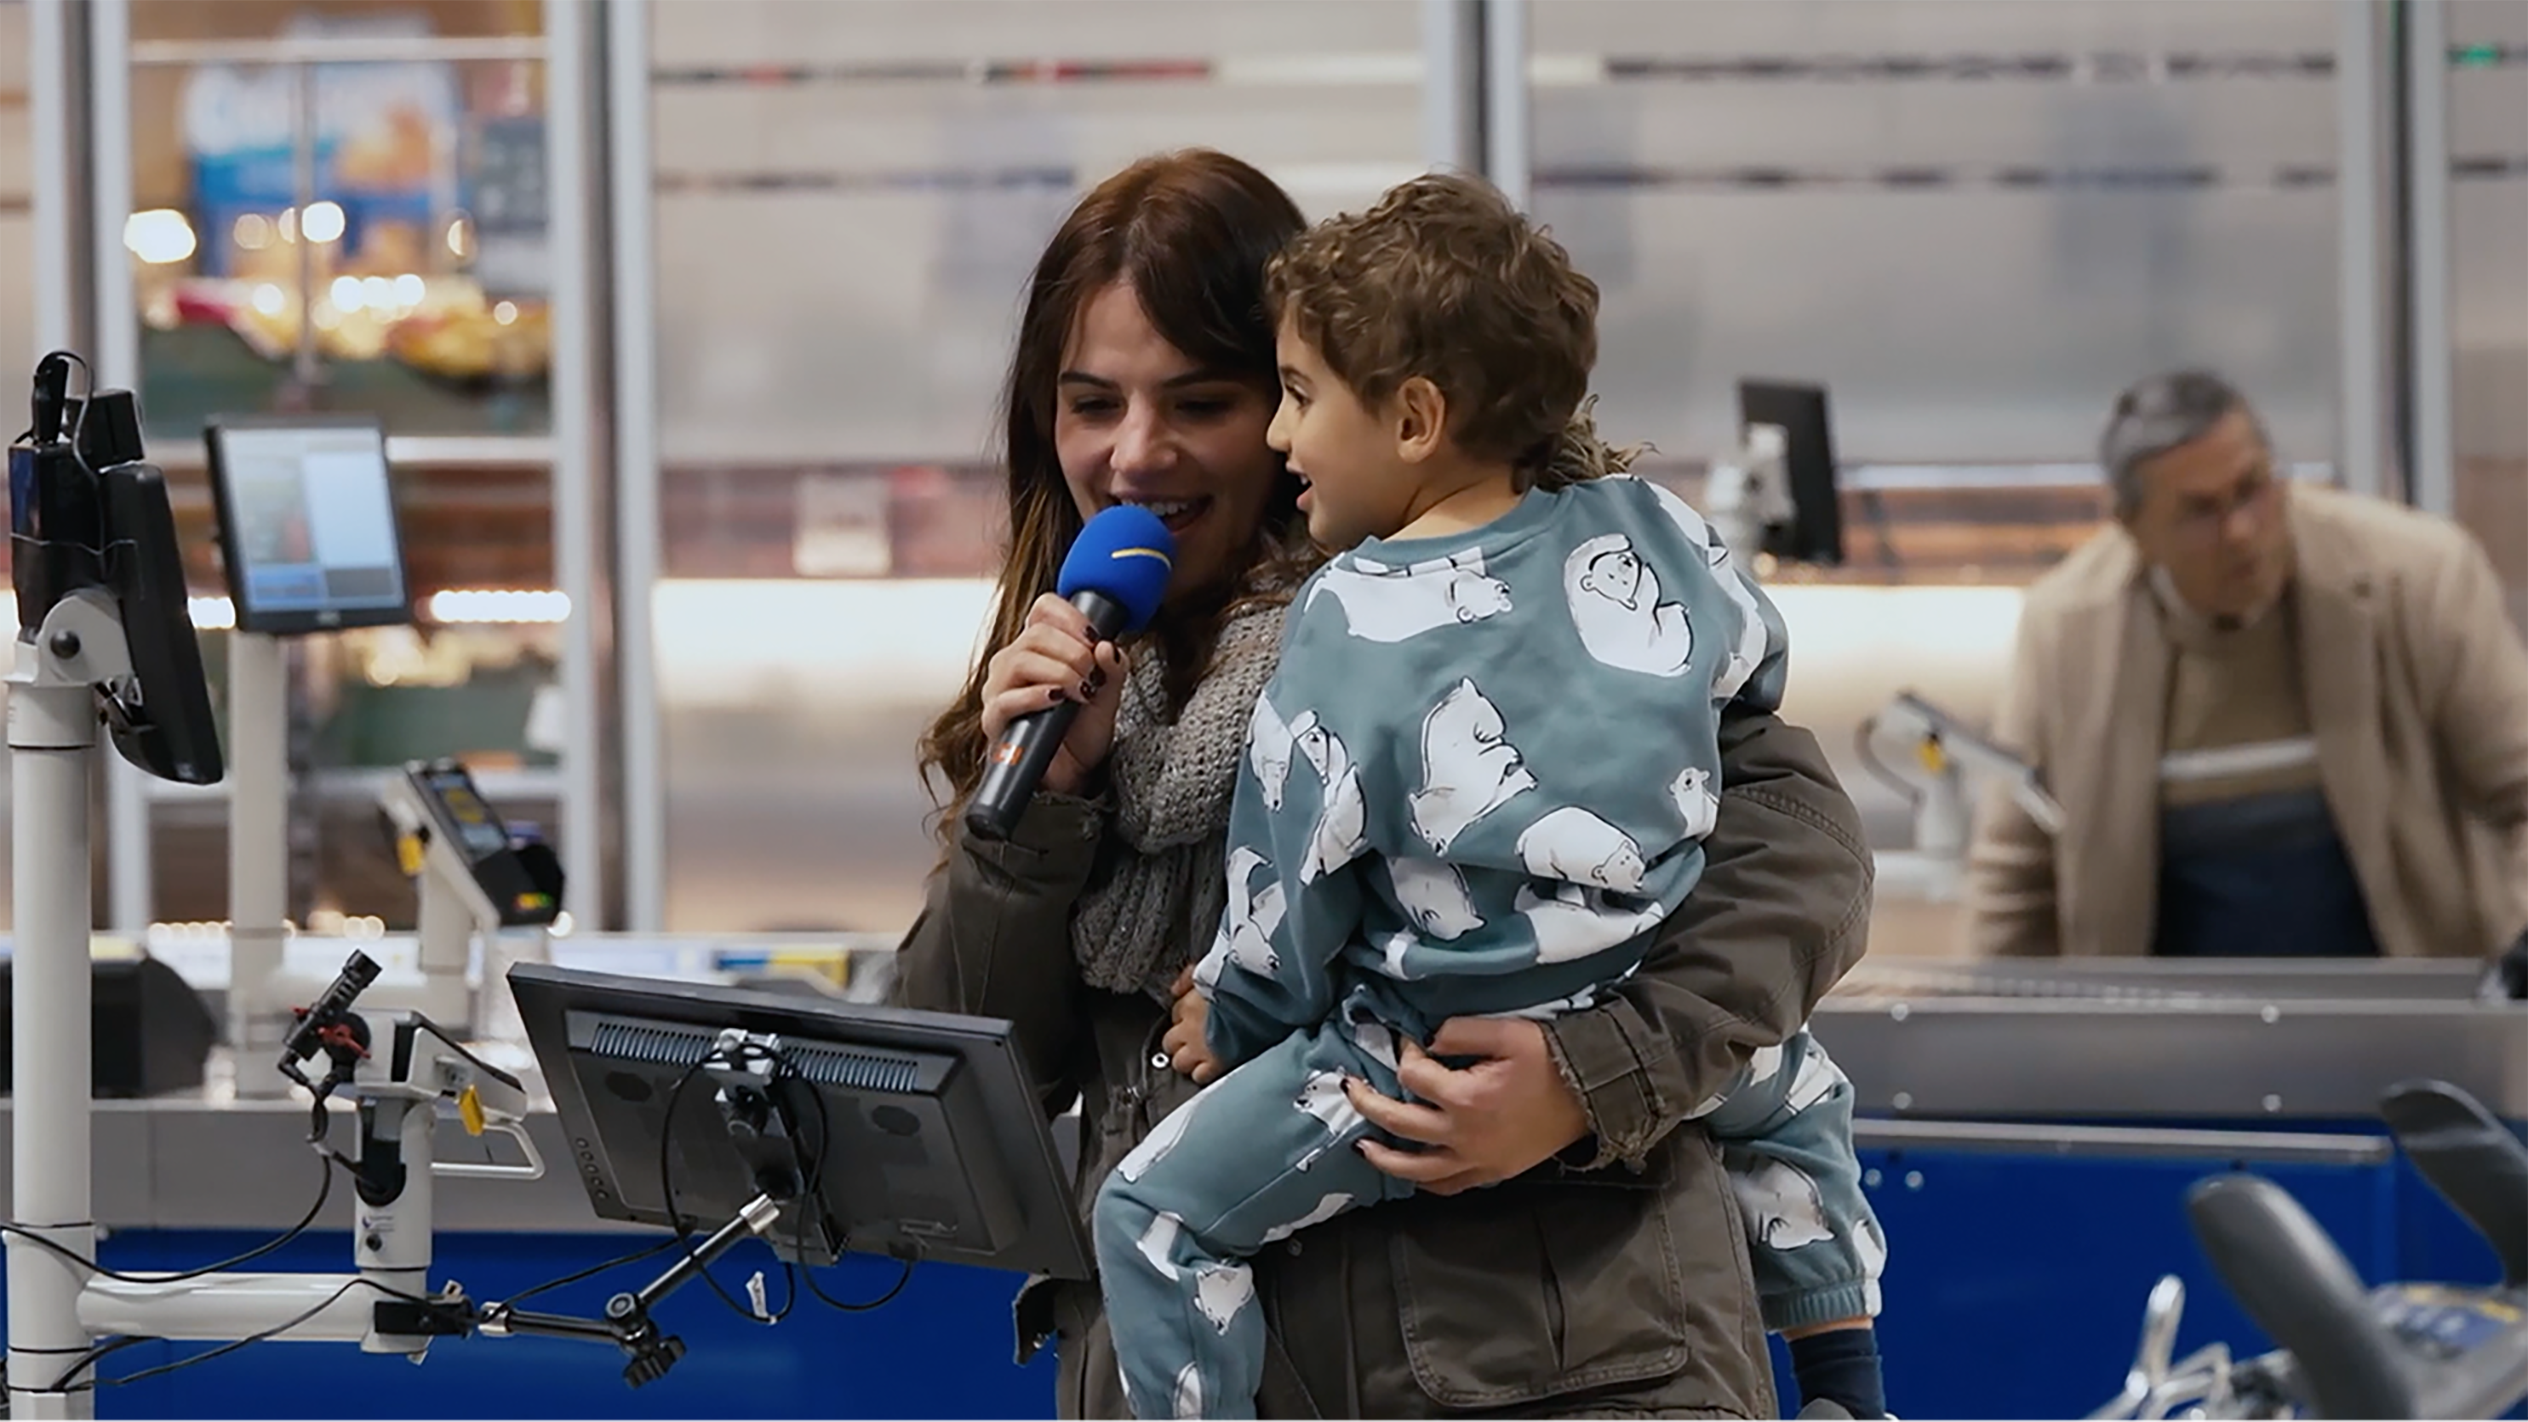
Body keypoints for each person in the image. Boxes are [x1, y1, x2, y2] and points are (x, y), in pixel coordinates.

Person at [894, 148, 1877, 1422]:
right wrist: (1042, 810)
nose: (1136, 454)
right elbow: (957, 1079)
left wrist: (1589, 1072)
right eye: (1091, 404)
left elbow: (1799, 870)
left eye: (1204, 401)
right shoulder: (1067, 684)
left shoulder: (1549, 596)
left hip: (1559, 1359)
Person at [1967, 369, 2528, 959]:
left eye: (2251, 489)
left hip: (2404, 1013)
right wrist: (1986, 1034)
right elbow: (2016, 877)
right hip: (2163, 1033)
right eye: (2200, 512)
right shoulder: (2069, 631)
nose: (2240, 531)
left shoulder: (2414, 578)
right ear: (2135, 530)